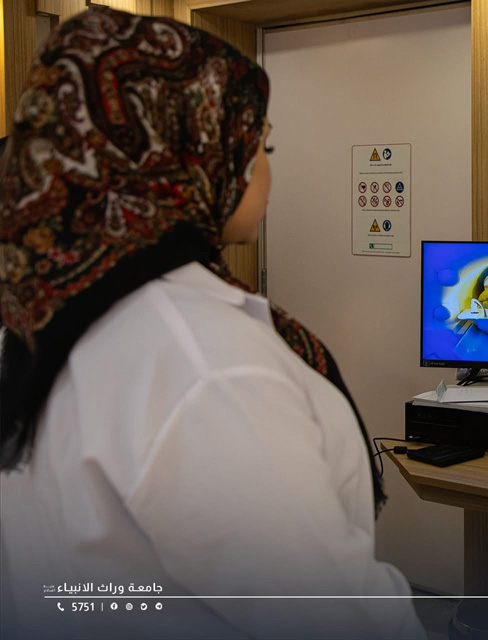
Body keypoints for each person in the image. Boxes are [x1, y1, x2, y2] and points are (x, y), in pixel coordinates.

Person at [0, 8, 424, 639]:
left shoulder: (48, 319)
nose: (268, 171)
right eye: (260, 147)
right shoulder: (206, 363)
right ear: (182, 157)